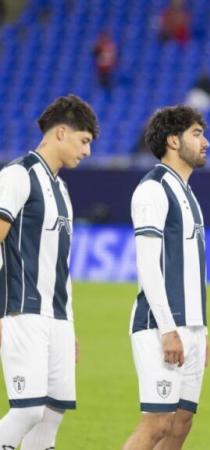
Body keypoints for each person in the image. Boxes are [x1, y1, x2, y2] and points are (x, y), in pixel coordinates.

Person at [0, 95, 98, 449]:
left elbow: (60, 264)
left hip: (56, 317)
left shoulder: (62, 189)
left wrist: (68, 324)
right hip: (22, 310)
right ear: (60, 133)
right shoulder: (17, 176)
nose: (87, 152)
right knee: (27, 411)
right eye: (84, 141)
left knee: (53, 411)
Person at [122, 106, 210, 450]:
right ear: (173, 140)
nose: (206, 142)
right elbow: (147, 266)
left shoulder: (188, 193)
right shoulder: (153, 189)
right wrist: (169, 329)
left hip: (191, 327)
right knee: (157, 424)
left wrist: (202, 330)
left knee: (180, 425)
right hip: (161, 325)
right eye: (197, 134)